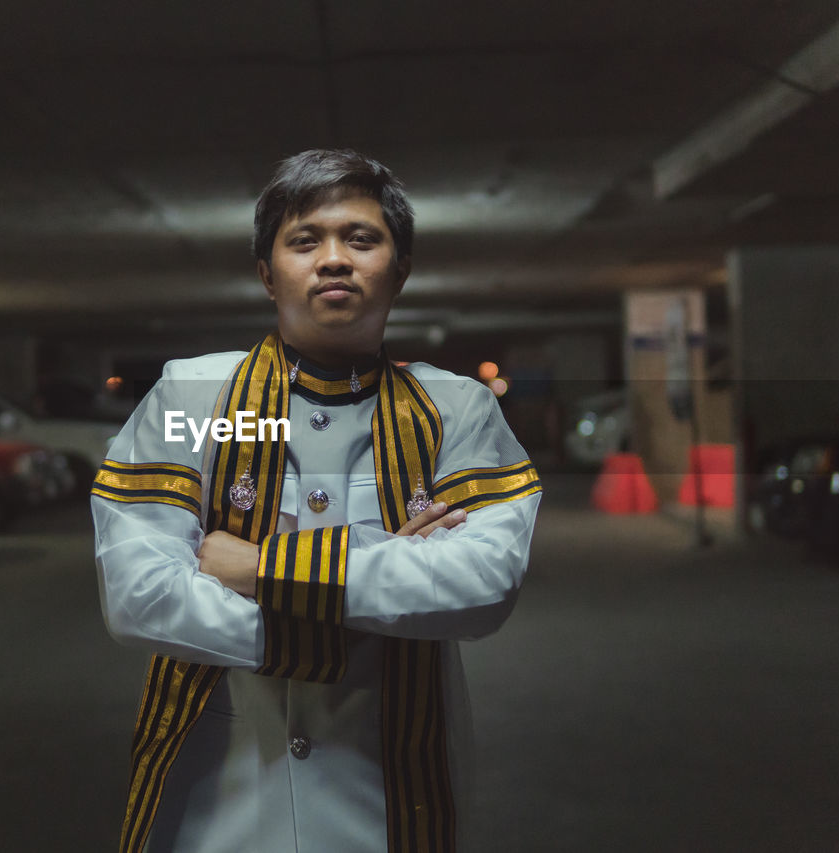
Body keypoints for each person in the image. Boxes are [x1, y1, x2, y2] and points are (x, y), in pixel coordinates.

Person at [92, 149, 542, 853]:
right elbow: (140, 592)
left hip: (389, 793)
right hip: (220, 797)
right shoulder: (198, 399)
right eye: (306, 240)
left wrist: (257, 567)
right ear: (269, 275)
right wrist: (377, 593)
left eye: (361, 239)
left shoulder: (455, 408)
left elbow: (483, 587)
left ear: (400, 269)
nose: (334, 258)